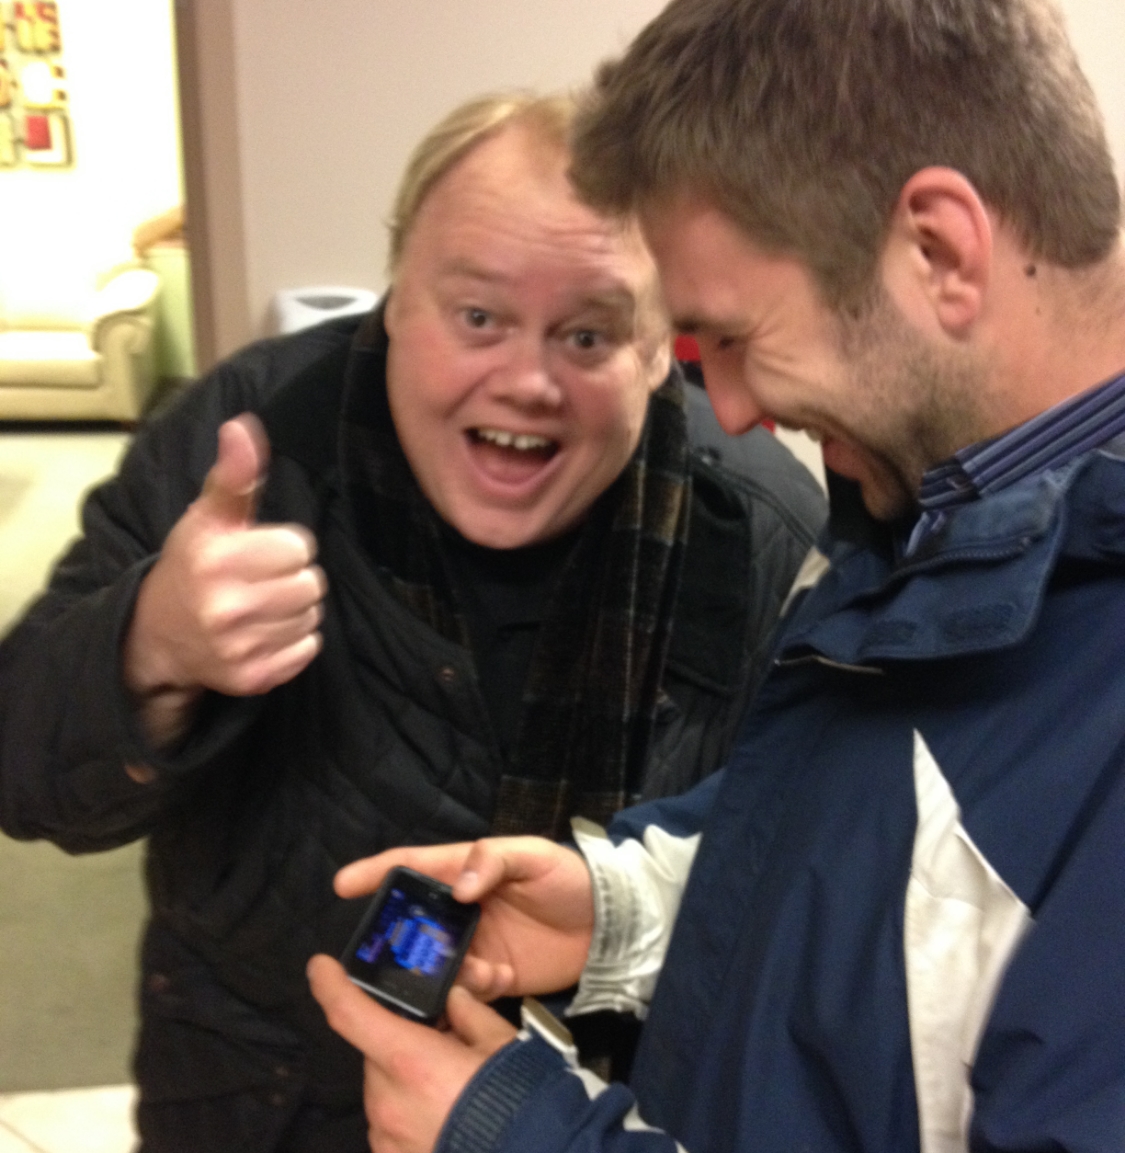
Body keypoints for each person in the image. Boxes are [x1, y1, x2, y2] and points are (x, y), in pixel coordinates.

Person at [305, 2, 1125, 1151]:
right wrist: (621, 915)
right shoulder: (921, 505)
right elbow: (887, 873)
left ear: (939, 249)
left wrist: (525, 1137)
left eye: (730, 338)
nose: (727, 407)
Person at [0, 91, 824, 1153]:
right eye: (477, 315)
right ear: (396, 300)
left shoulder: (760, 532)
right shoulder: (250, 438)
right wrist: (146, 650)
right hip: (254, 1102)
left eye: (588, 333)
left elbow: (797, 894)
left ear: (664, 347)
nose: (527, 382)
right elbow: (21, 767)